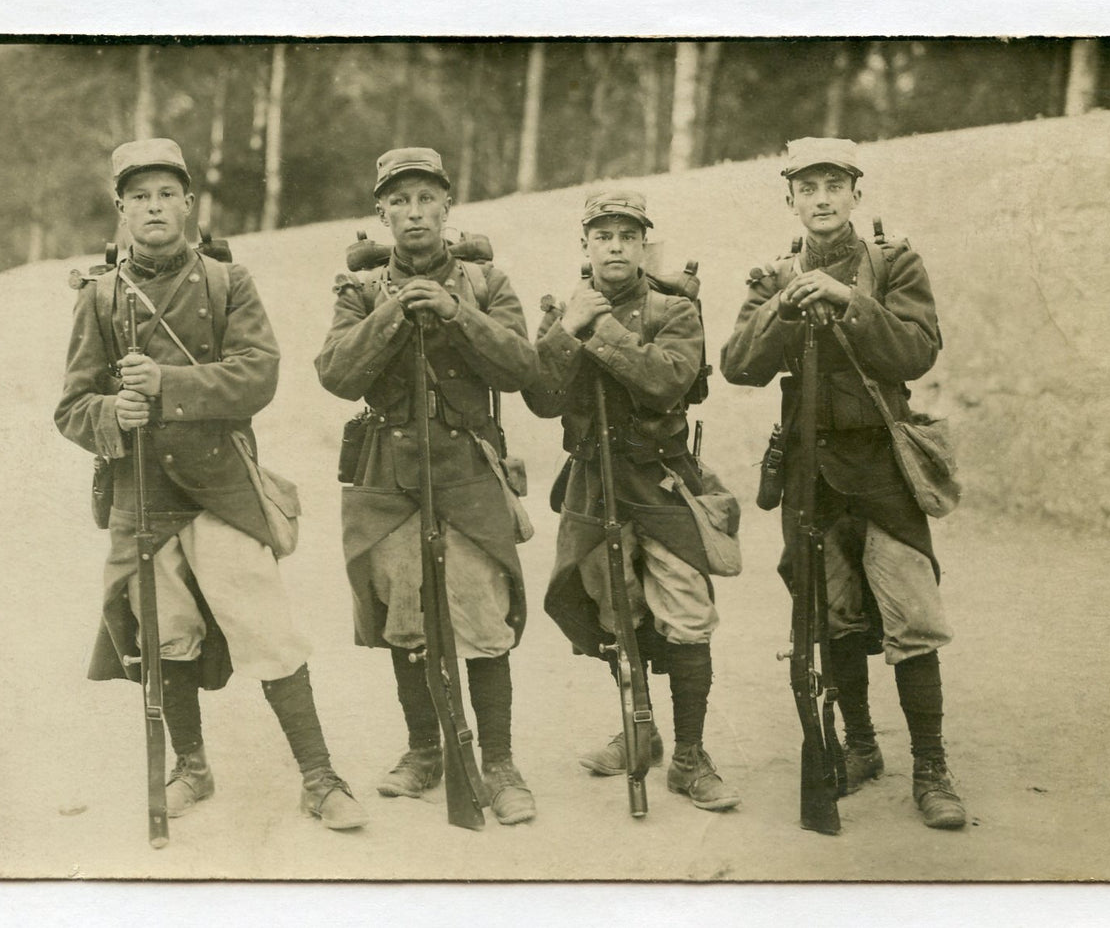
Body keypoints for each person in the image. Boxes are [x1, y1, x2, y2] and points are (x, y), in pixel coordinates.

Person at [56, 138, 367, 831]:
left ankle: (319, 777)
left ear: (189, 203)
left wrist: (166, 387)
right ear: (120, 209)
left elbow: (258, 374)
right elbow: (71, 406)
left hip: (221, 483)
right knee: (164, 637)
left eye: (166, 193)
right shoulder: (101, 297)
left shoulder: (228, 283)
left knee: (269, 630)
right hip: (142, 493)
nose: (154, 207)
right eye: (139, 196)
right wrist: (114, 411)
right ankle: (192, 766)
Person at [719, 137, 966, 830]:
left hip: (882, 467)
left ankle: (931, 766)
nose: (821, 198)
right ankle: (859, 746)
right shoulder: (772, 275)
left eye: (834, 184)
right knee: (831, 616)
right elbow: (738, 365)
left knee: (911, 616)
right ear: (789, 199)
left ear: (855, 192)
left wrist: (846, 299)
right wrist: (783, 307)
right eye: (807, 187)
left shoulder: (892, 262)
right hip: (809, 473)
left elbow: (916, 348)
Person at [314, 147, 538, 825]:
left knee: (481, 615)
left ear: (447, 208)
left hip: (465, 471)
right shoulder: (358, 289)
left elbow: (521, 365)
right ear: (381, 213)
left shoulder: (485, 281)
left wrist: (452, 311)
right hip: (386, 476)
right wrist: (391, 314)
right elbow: (335, 372)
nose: (414, 212)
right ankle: (423, 748)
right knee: (405, 617)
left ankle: (496, 760)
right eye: (399, 201)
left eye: (426, 199)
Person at [524, 191, 741, 812]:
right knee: (614, 609)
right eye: (602, 235)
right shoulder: (560, 312)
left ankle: (692, 757)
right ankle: (640, 729)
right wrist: (568, 327)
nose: (614, 246)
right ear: (584, 246)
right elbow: (539, 395)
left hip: (659, 480)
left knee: (686, 610)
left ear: (645, 244)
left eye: (627, 235)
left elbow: (666, 380)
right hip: (594, 482)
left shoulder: (675, 309)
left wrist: (601, 329)